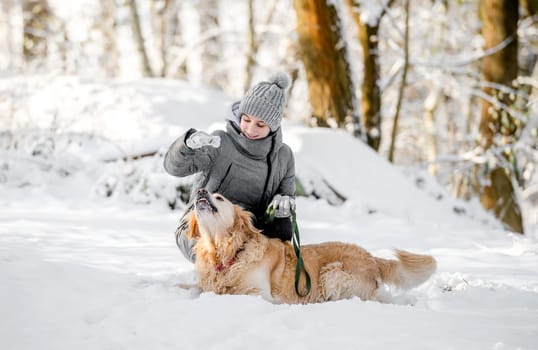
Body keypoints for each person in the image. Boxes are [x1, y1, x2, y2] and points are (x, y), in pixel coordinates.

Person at [163, 72, 296, 263]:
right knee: (231, 255)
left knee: (266, 249)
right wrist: (188, 145)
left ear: (273, 127)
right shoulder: (220, 142)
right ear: (239, 115)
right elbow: (173, 168)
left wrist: (283, 204)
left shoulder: (283, 157)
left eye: (260, 124)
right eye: (247, 120)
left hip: (248, 233)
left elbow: (286, 196)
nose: (250, 129)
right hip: (202, 228)